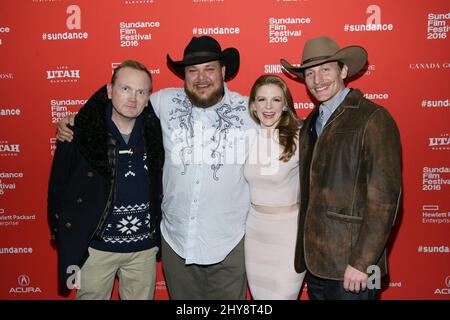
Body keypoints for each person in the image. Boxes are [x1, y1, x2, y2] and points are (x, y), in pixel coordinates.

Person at [56, 36, 258, 300]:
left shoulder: (249, 111)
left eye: (209, 69)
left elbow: (286, 125)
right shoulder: (164, 102)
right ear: (184, 75)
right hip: (177, 245)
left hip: (229, 243)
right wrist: (77, 120)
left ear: (223, 71)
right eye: (192, 71)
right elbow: (123, 98)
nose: (201, 78)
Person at [280, 36, 402, 300]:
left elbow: (385, 201)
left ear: (344, 70)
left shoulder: (373, 117)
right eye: (310, 73)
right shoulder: (311, 122)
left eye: (326, 69)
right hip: (316, 264)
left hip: (354, 267)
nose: (317, 80)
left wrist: (362, 262)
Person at [48, 60, 164, 299]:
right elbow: (57, 190)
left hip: (143, 252)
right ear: (109, 91)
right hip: (95, 251)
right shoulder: (80, 134)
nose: (133, 98)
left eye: (141, 92)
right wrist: (64, 235)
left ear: (148, 97)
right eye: (125, 88)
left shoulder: (158, 134)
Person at [244, 75, 306, 299]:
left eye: (276, 100)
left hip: (288, 234)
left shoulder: (301, 138)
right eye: (262, 99)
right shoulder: (246, 137)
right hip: (254, 232)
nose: (268, 107)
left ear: (286, 104)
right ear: (253, 105)